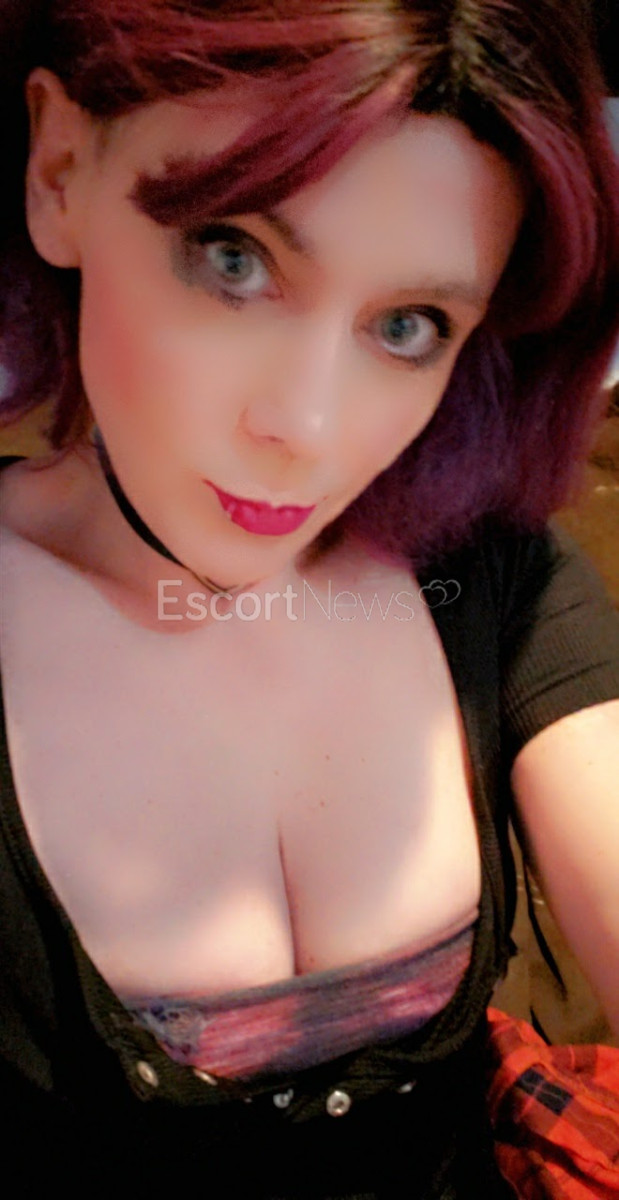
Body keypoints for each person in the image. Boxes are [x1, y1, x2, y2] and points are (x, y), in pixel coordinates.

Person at [0, 1, 618, 1195]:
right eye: (233, 259)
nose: (307, 427)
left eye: (408, 326)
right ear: (61, 169)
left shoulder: (492, 574)